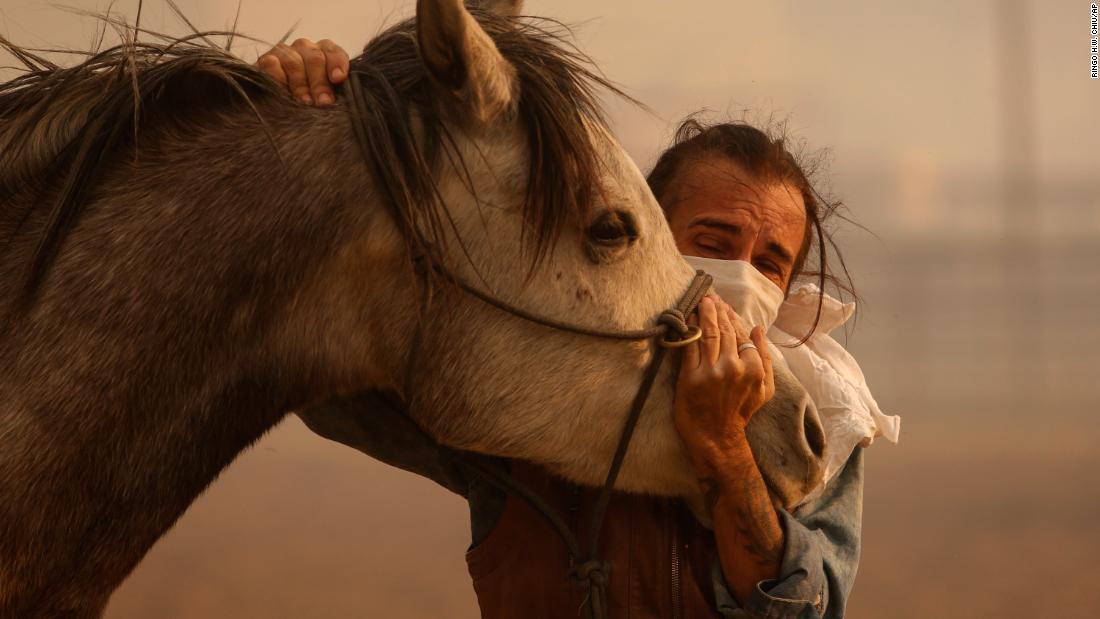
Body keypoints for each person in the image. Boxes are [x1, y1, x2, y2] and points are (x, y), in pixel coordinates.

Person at [258, 39, 865, 619]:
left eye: (769, 264)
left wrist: (723, 444)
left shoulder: (816, 418)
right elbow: (325, 383)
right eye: (711, 243)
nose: (738, 276)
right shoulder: (544, 379)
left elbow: (810, 608)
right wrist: (298, 125)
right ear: (650, 239)